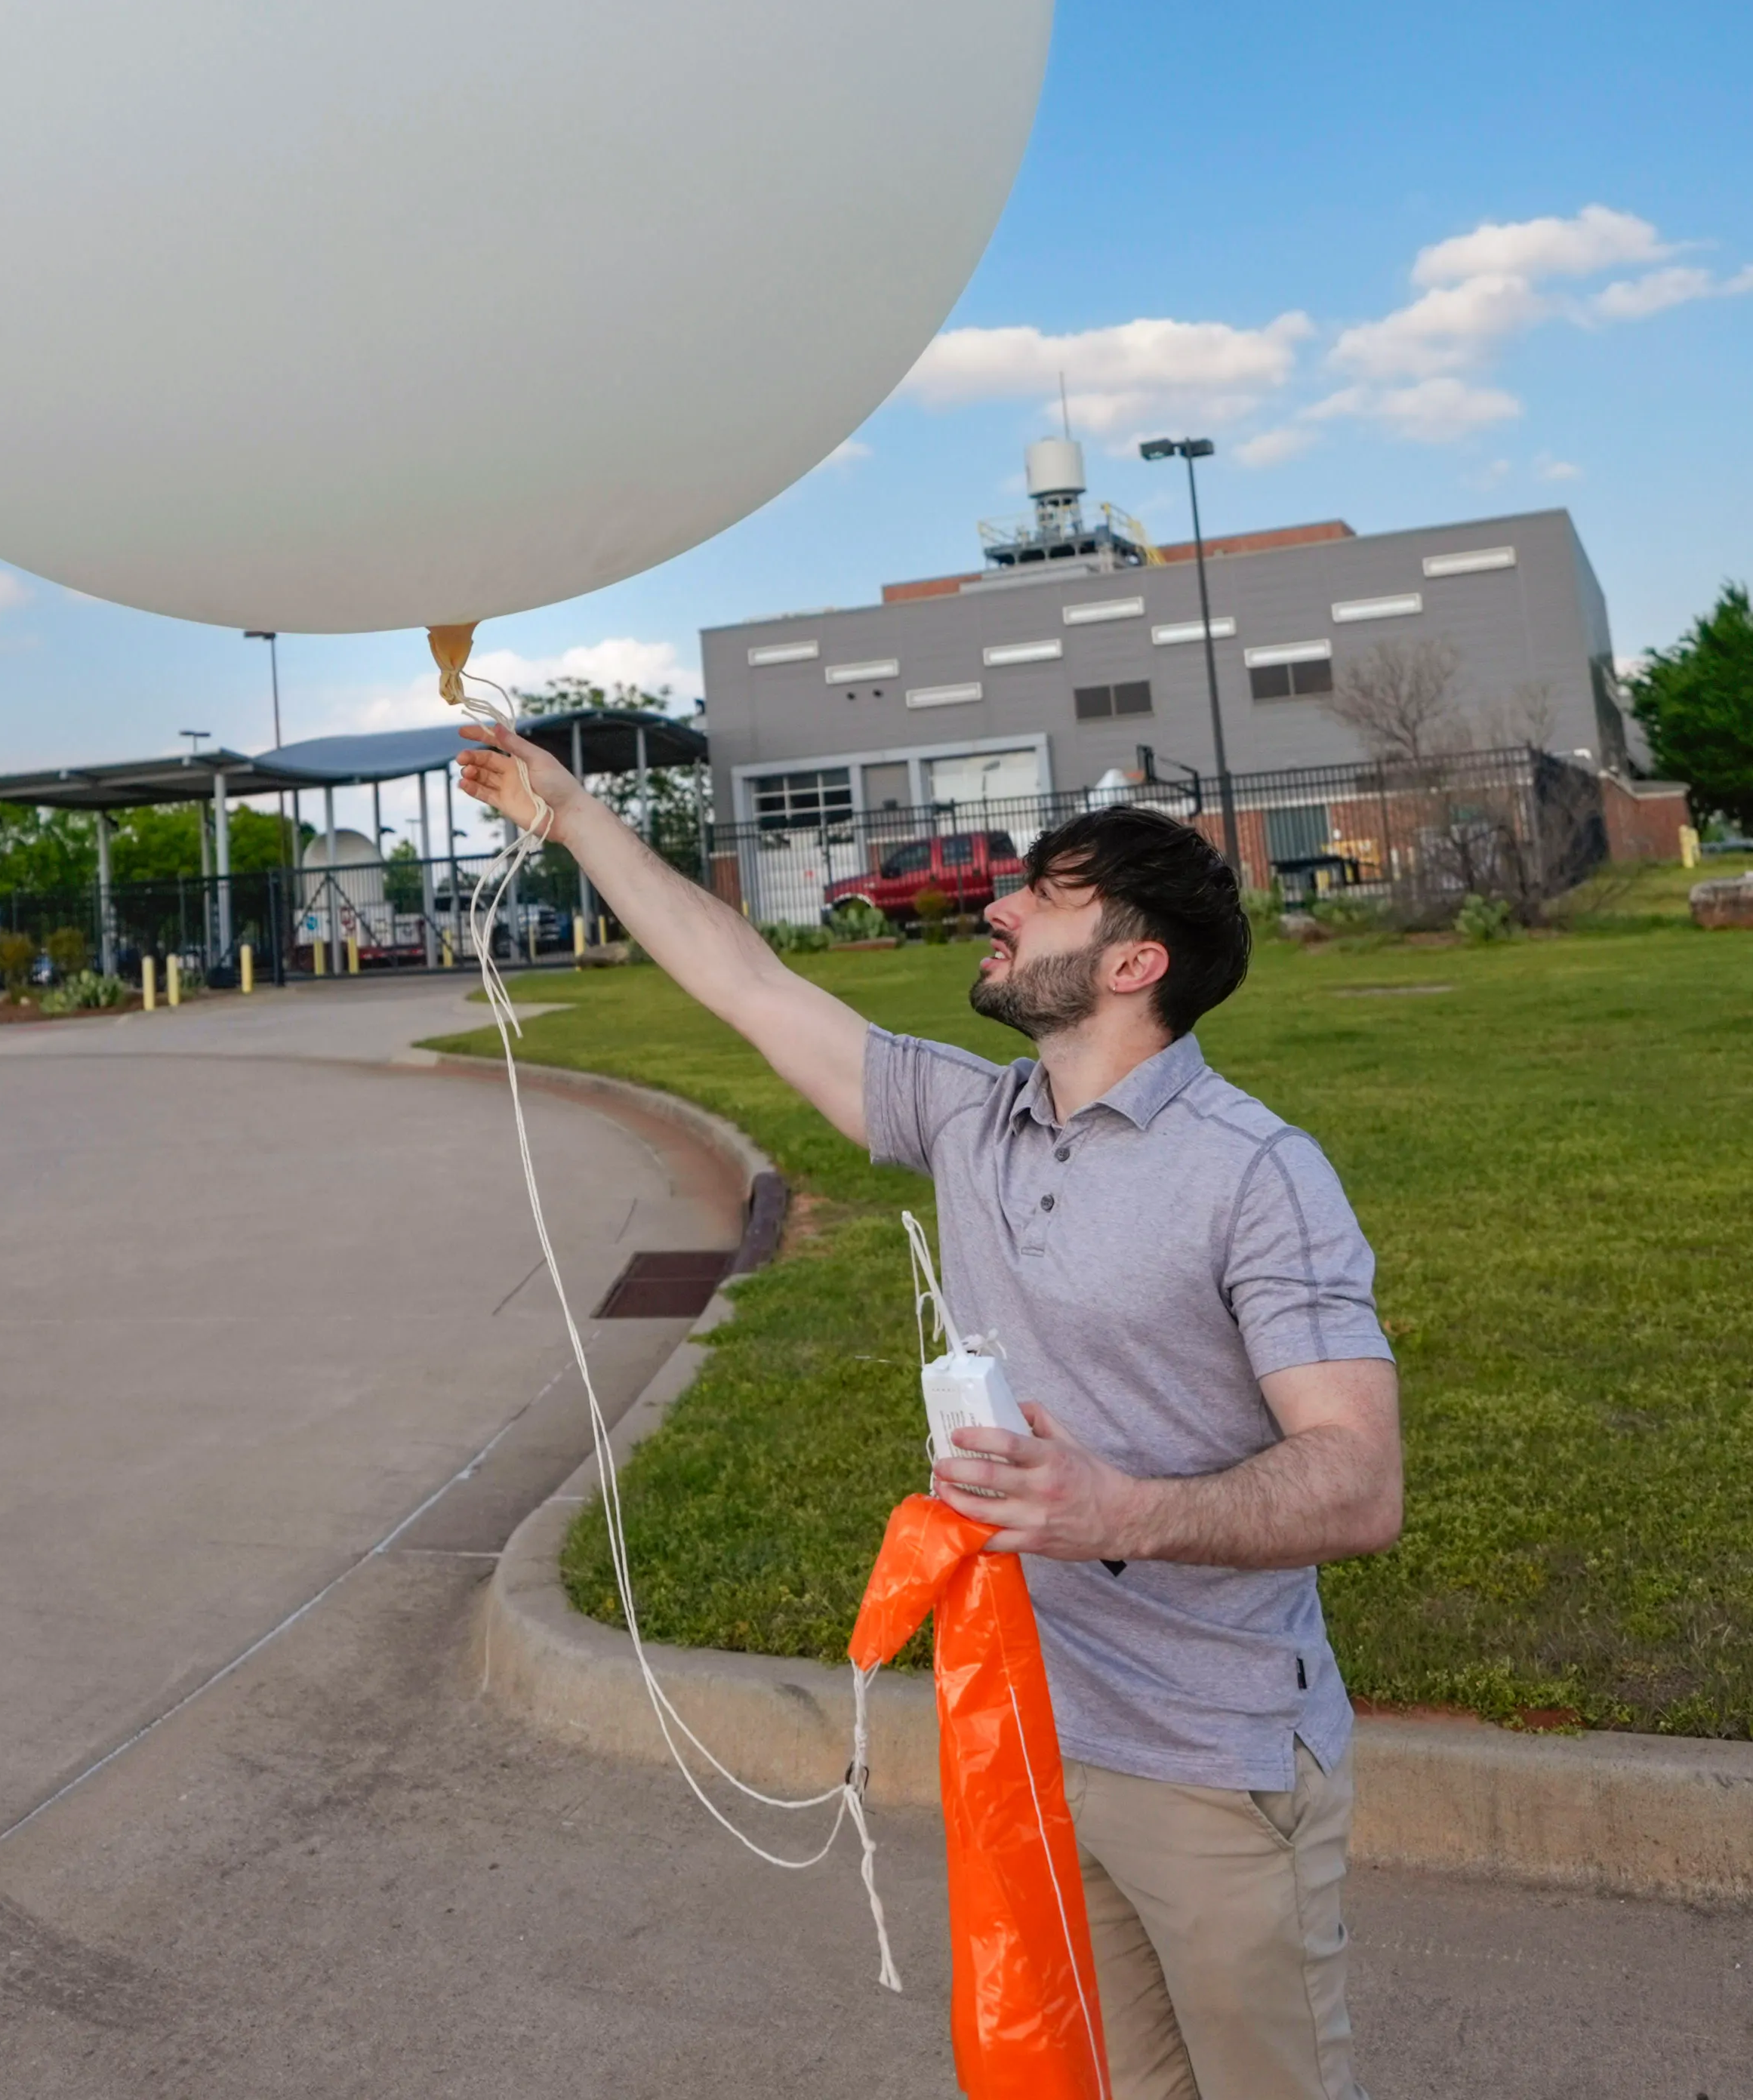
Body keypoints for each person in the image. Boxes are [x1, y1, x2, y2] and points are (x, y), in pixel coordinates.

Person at [457, 727, 1400, 2100]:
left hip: (1216, 1759)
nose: (1000, 904)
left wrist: (1118, 1510)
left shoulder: (1260, 1174)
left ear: (1137, 964)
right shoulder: (973, 1118)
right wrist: (577, 814)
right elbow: (748, 983)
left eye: (1048, 893)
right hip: (1030, 1724)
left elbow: (1359, 1482)